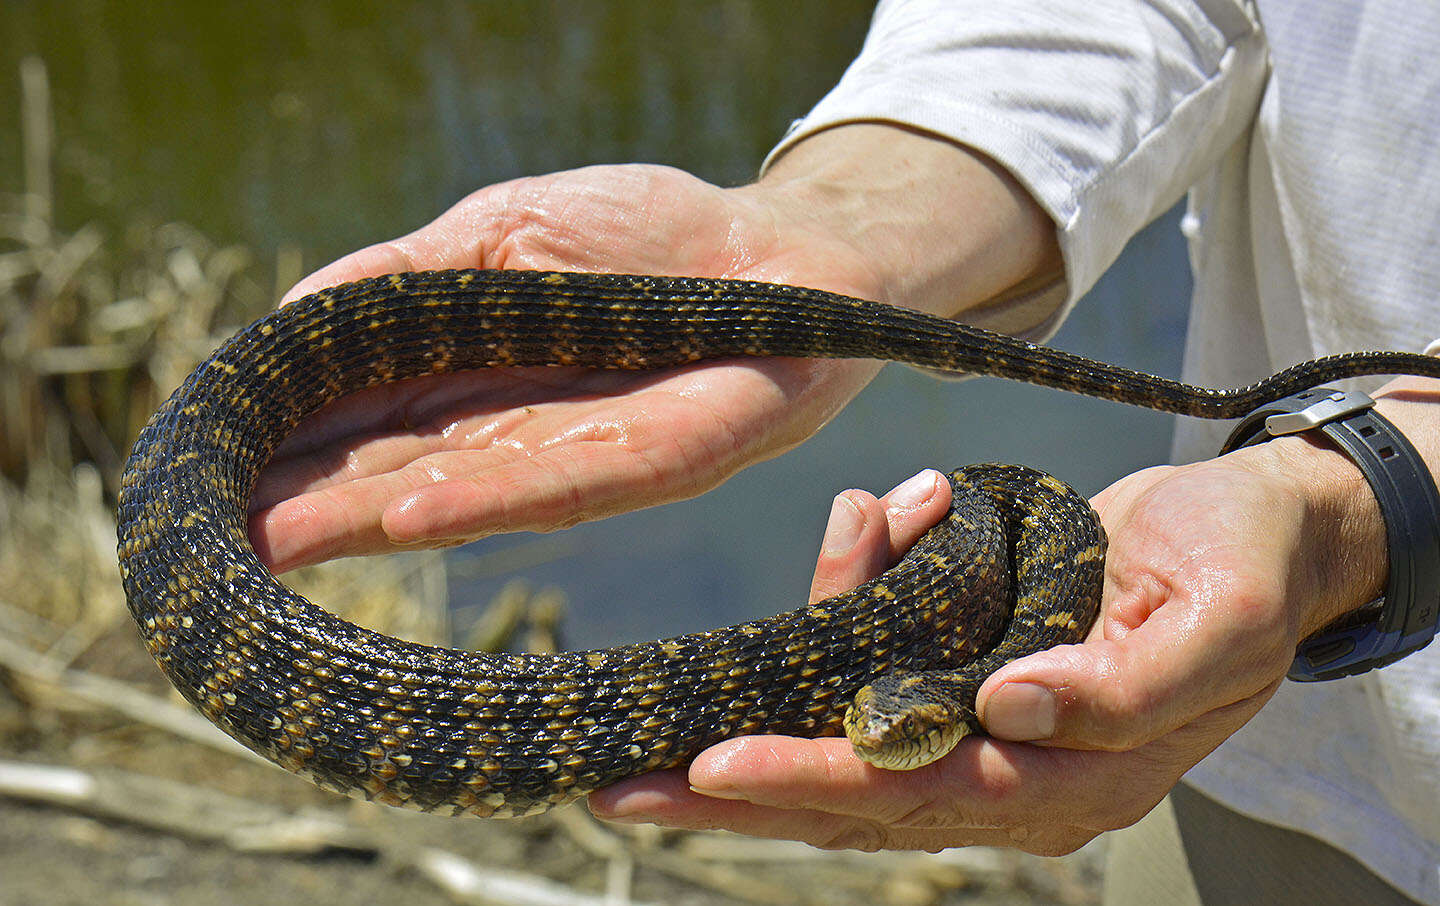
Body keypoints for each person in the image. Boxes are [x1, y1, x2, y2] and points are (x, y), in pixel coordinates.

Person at [253, 1, 1440, 902]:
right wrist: (835, 231)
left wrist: (1372, 500)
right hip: (1271, 757)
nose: (883, 738)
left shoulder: (1008, 617)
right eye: (891, 722)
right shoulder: (1010, 594)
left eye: (903, 727)